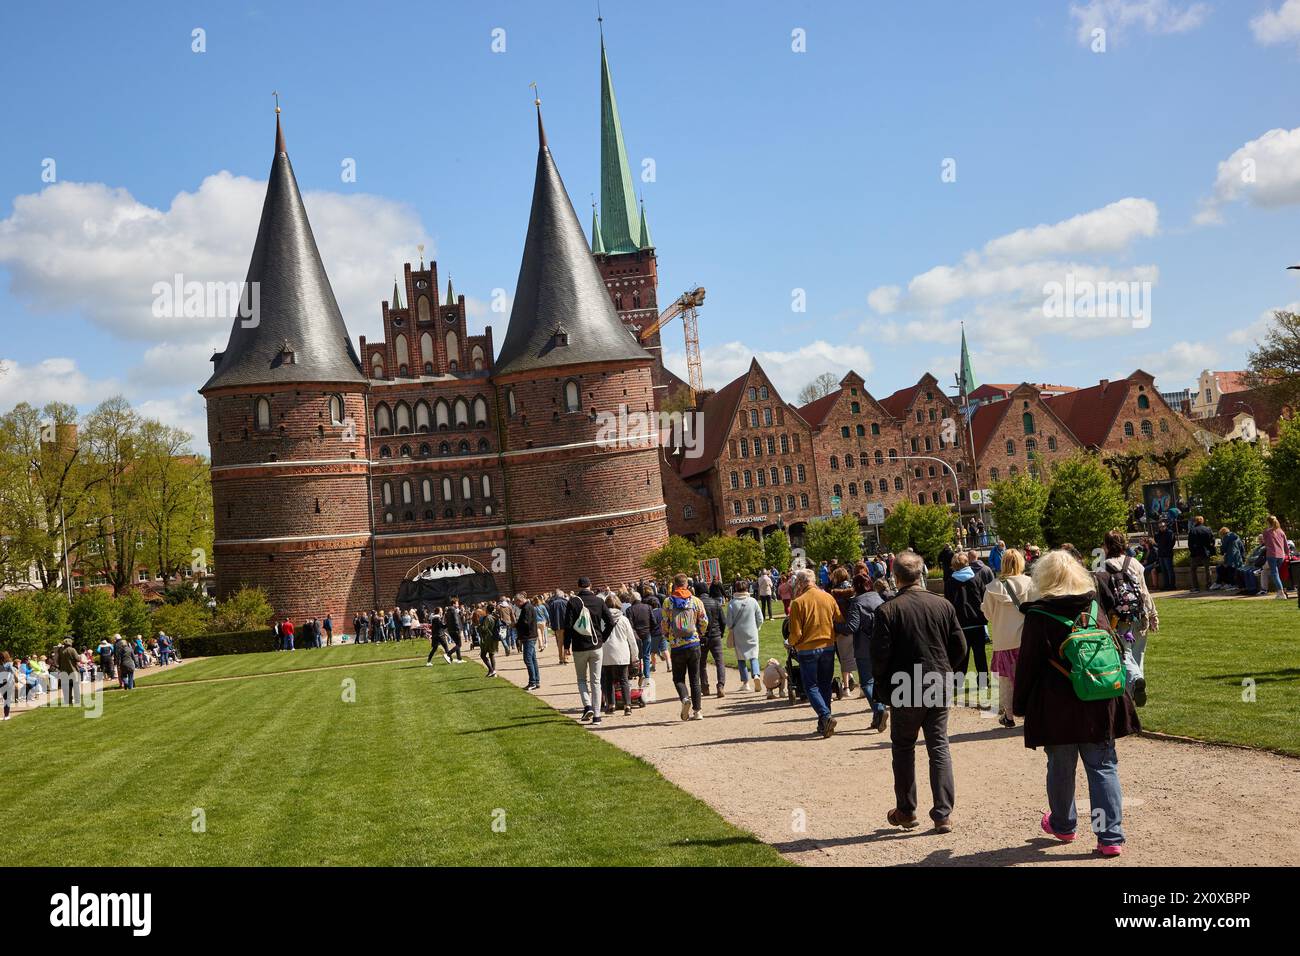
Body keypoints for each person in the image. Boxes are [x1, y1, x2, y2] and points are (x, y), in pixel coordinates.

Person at [1014, 549, 1139, 857]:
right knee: (1103, 767)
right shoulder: (1093, 607)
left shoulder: (1038, 615)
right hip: (1098, 700)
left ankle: (1064, 824)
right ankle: (1109, 836)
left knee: (1060, 767)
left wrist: (1019, 706)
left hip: (1058, 706)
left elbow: (1027, 665)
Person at [871, 550, 966, 832]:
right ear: (921, 574)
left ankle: (907, 810)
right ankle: (942, 813)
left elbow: (879, 658)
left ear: (895, 577)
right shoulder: (942, 605)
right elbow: (960, 647)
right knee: (938, 745)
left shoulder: (888, 610)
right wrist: (947, 669)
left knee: (903, 748)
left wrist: (883, 687)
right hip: (937, 680)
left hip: (905, 686)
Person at [1095, 530, 1158, 706]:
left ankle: (1134, 686)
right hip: (1139, 614)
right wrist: (1153, 614)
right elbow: (1144, 592)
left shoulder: (1102, 567)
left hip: (1118, 618)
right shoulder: (1135, 563)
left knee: (1124, 654)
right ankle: (1137, 688)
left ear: (1106, 546)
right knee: (1138, 654)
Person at [787, 567, 843, 738]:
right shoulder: (828, 597)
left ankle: (825, 716)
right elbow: (840, 621)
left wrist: (789, 643)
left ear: (802, 583)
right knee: (825, 684)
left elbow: (796, 633)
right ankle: (823, 721)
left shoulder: (798, 602)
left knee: (811, 686)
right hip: (827, 645)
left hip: (807, 649)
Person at [980, 548, 1032, 728]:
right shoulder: (1031, 584)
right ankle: (1030, 714)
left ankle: (1009, 716)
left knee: (1006, 681)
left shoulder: (993, 587)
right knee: (1028, 678)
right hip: (1026, 639)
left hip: (1003, 639)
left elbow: (986, 614)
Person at [567, 577, 614, 725]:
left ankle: (587, 705)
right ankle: (597, 716)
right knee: (596, 681)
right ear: (590, 585)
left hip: (579, 646)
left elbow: (567, 626)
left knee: (581, 679)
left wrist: (566, 646)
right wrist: (602, 638)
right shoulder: (599, 601)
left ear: (578, 586)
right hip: (596, 644)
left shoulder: (573, 602)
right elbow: (611, 622)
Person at [946, 552, 990, 706]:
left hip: (960, 623)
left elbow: (948, 604)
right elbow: (983, 598)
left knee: (962, 655)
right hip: (977, 621)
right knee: (980, 654)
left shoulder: (951, 582)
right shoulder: (976, 578)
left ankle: (958, 681)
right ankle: (983, 681)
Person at [664, 573, 708, 721]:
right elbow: (704, 620)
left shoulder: (668, 602)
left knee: (678, 678)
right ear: (687, 585)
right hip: (693, 643)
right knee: (695, 679)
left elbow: (664, 623)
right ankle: (698, 711)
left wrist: (667, 636)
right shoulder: (695, 601)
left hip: (677, 646)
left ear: (674, 585)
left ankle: (684, 698)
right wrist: (700, 633)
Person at [847, 572, 887, 731]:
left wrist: (836, 626)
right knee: (878, 681)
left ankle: (879, 709)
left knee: (866, 683)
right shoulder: (878, 598)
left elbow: (852, 626)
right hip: (881, 644)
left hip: (864, 647)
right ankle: (877, 716)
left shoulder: (856, 602)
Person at [600, 595, 640, 716]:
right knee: (624, 680)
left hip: (606, 651)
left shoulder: (602, 619)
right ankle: (627, 705)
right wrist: (635, 656)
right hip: (622, 652)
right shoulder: (623, 619)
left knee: (608, 680)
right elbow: (632, 640)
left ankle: (611, 705)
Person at [724, 580, 764, 692]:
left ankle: (746, 683)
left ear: (736, 589)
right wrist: (757, 627)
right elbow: (760, 618)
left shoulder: (732, 603)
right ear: (747, 588)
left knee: (741, 658)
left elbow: (729, 622)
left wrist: (732, 628)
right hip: (752, 632)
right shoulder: (753, 601)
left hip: (738, 633)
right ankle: (756, 675)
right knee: (754, 655)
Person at [698, 582, 727, 698]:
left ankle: (705, 687)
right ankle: (720, 685)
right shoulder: (715, 602)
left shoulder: (696, 604)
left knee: (702, 663)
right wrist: (721, 633)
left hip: (702, 637)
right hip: (715, 635)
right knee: (719, 662)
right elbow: (723, 621)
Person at [516, 593, 541, 690]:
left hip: (529, 636)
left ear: (520, 601)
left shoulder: (527, 608)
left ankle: (532, 682)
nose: (516, 605)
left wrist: (516, 625)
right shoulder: (528, 607)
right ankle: (536, 681)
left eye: (516, 602)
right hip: (530, 636)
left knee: (528, 659)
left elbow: (526, 623)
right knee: (532, 659)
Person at [1263, 516, 1291, 600]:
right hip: (1281, 556)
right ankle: (1280, 592)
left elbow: (1265, 543)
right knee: (1276, 574)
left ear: (1268, 522)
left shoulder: (1266, 532)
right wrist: (1288, 554)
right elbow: (1286, 545)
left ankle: (1281, 592)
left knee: (1274, 574)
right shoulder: (1281, 531)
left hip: (1272, 555)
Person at [1186, 516, 1215, 593]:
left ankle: (1195, 587)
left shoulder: (1192, 530)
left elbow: (1190, 543)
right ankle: (1209, 585)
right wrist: (1210, 550)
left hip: (1195, 553)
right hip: (1206, 552)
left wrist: (1192, 551)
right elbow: (1212, 541)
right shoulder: (1208, 529)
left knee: (1193, 570)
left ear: (1195, 521)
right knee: (1207, 569)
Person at [548, 589, 571, 665]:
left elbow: (550, 616)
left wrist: (552, 624)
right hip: (566, 625)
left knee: (559, 642)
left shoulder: (553, 603)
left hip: (557, 625)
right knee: (566, 641)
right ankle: (566, 658)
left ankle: (561, 658)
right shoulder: (566, 602)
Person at [1154, 520, 1176, 591]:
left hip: (1167, 554)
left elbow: (1172, 543)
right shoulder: (1158, 534)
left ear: (1165, 526)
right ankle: (1166, 585)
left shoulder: (1170, 533)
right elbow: (1157, 541)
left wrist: (1167, 550)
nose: (1161, 528)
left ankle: (1172, 585)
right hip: (1161, 554)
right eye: (1160, 527)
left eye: (1163, 526)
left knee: (1169, 570)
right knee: (1164, 571)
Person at [0, 651, 14, 720]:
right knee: (7, 699)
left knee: (6, 699)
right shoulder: (8, 664)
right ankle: (6, 715)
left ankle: (6, 715)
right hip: (7, 682)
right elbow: (12, 672)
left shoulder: (3, 664)